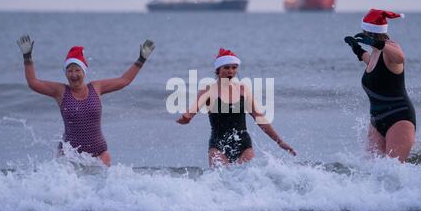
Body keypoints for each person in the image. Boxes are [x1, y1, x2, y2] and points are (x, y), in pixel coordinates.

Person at [16, 34, 155, 166]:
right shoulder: (60, 91)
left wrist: (141, 59)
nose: (74, 74)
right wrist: (27, 57)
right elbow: (33, 83)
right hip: (69, 156)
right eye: (69, 71)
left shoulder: (96, 87)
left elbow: (124, 80)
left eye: (77, 70)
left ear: (84, 72)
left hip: (99, 155)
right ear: (65, 73)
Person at [176, 48, 296, 167]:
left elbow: (260, 119)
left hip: (243, 145)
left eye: (234, 68)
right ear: (218, 70)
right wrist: (186, 118)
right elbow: (190, 112)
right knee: (220, 181)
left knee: (246, 181)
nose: (231, 71)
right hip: (218, 144)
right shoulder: (208, 91)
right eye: (226, 68)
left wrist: (280, 142)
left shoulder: (243, 90)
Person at [344, 9, 416, 163]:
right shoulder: (376, 53)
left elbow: (400, 58)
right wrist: (357, 50)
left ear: (369, 32)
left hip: (399, 117)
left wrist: (378, 44)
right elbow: (374, 67)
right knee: (371, 169)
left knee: (394, 171)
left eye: (365, 32)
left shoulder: (390, 47)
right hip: (377, 119)